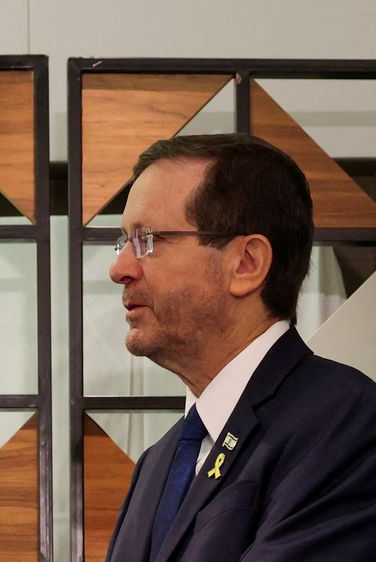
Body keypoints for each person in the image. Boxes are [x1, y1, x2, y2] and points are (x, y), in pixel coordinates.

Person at [105, 134, 376, 561]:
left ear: (247, 264)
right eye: (124, 242)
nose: (119, 269)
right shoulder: (157, 464)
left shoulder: (348, 423)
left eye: (148, 240)